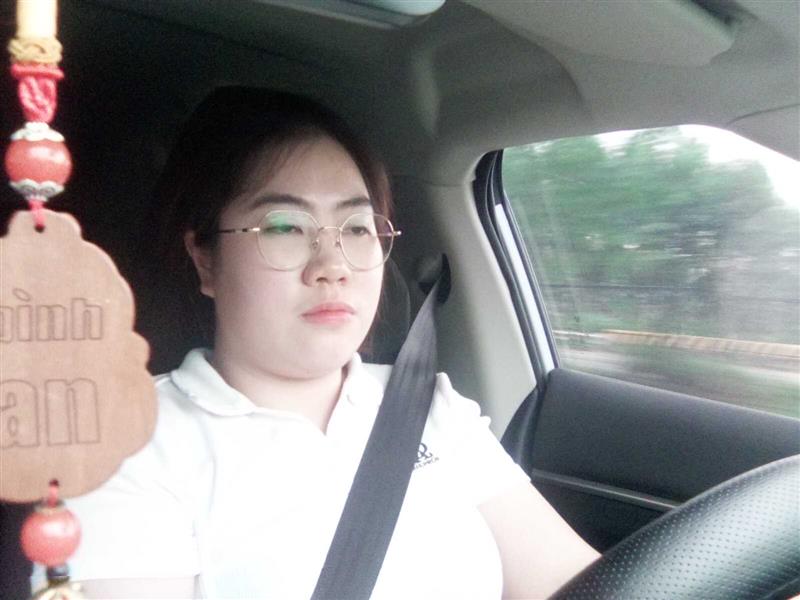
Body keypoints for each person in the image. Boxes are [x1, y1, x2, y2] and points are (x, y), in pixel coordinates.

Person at [49, 88, 598, 599]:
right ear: (205, 259)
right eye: (285, 227)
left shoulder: (430, 406)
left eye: (357, 228)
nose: (332, 265)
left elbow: (586, 585)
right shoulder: (133, 443)